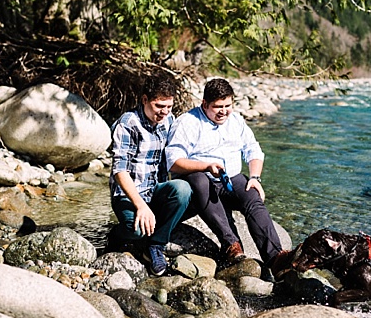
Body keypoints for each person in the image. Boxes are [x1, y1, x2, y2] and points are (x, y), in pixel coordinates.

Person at [166, 78, 290, 273]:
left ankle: (275, 258)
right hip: (199, 181)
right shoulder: (187, 122)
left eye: (228, 105)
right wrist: (206, 166)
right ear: (205, 104)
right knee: (199, 180)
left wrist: (255, 178)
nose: (224, 111)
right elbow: (173, 161)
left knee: (252, 195)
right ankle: (231, 245)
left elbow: (253, 149)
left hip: (230, 178)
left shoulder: (236, 120)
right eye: (218, 107)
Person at [108, 75, 194, 276]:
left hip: (155, 189)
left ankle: (155, 245)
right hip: (129, 195)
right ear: (145, 100)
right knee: (136, 231)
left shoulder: (169, 120)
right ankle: (116, 235)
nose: (164, 112)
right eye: (159, 106)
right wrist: (141, 206)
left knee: (183, 189)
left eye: (169, 106)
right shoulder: (128, 123)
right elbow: (120, 171)